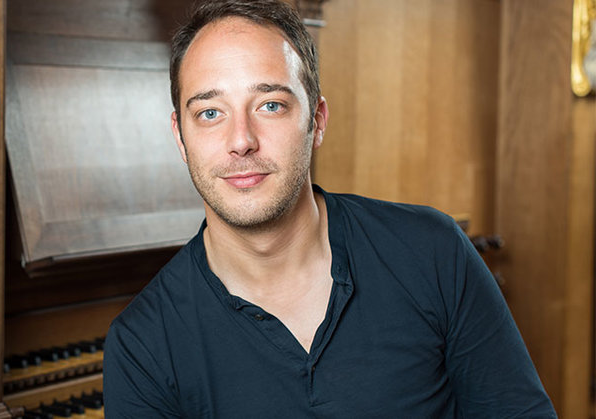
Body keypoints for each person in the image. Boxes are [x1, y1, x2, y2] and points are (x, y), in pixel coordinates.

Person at [103, 0, 557, 417]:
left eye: (271, 104)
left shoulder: (434, 251)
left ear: (316, 121)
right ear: (180, 137)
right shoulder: (141, 345)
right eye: (209, 113)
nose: (241, 140)